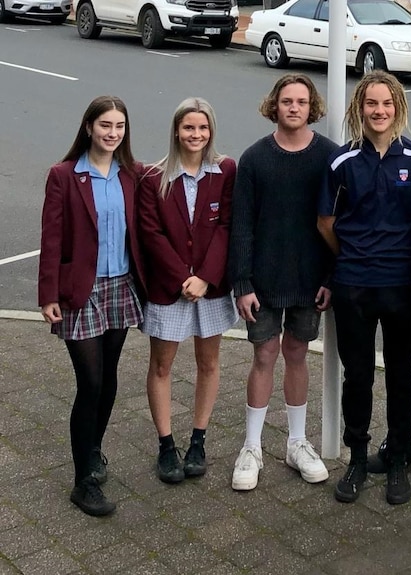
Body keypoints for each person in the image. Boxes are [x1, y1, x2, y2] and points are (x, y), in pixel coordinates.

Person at [318, 71, 411, 506]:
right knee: (359, 376)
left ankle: (399, 456)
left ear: (398, 107)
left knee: (402, 374)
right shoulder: (341, 162)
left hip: (402, 287)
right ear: (359, 109)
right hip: (354, 287)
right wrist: (351, 256)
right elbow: (325, 223)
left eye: (386, 103)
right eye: (371, 104)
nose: (379, 111)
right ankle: (358, 457)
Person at [228, 74, 337, 491]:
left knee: (296, 352)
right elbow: (241, 225)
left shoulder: (329, 155)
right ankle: (251, 447)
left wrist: (331, 277)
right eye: (287, 101)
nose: (294, 107)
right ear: (274, 105)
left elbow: (333, 223)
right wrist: (242, 282)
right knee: (264, 354)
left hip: (311, 280)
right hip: (264, 278)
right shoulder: (255, 158)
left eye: (302, 101)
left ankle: (297, 442)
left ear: (313, 108)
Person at [38, 96, 145, 516]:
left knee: (110, 376)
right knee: (91, 382)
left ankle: (94, 451)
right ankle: (83, 482)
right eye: (105, 125)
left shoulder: (132, 175)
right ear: (88, 127)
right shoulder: (65, 176)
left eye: (119, 126)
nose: (112, 133)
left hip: (121, 287)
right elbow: (51, 238)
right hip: (81, 292)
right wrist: (48, 294)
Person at [138, 97, 238, 484]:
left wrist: (206, 277)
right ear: (176, 131)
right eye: (188, 128)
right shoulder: (154, 178)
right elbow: (151, 234)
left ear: (211, 131)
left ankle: (198, 440)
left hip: (209, 289)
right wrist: (183, 277)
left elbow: (226, 225)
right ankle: (166, 445)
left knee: (208, 363)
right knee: (161, 366)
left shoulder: (225, 170)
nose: (196, 135)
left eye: (203, 128)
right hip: (170, 288)